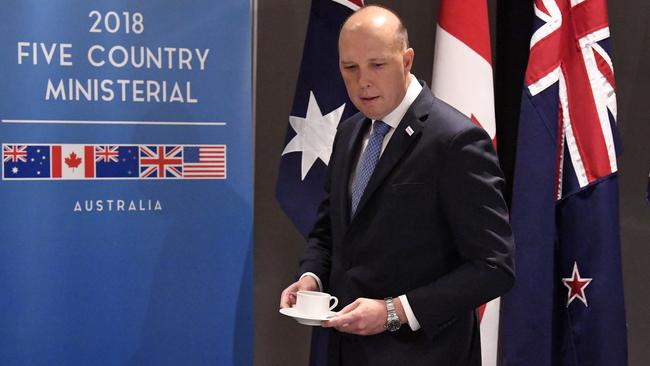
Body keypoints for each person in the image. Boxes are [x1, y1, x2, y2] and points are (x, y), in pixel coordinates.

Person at [279, 5, 514, 365]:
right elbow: (328, 230)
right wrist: (310, 276)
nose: (362, 82)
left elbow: (494, 268)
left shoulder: (456, 141)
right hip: (346, 352)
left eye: (377, 64)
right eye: (350, 68)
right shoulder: (348, 133)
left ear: (406, 60)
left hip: (425, 355)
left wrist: (394, 311)